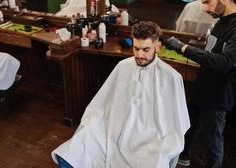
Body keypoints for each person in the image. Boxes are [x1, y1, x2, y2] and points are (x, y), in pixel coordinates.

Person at [51, 21, 190, 168]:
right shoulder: (123, 66)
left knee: (156, 160)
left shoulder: (171, 77)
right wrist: (95, 122)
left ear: (158, 47)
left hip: (148, 139)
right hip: (113, 128)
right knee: (74, 149)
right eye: (136, 48)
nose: (140, 55)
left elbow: (177, 124)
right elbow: (102, 103)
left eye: (146, 49)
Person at [162, 0, 236, 167]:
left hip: (219, 94)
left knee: (213, 141)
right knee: (189, 126)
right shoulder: (221, 21)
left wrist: (183, 48)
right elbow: (213, 49)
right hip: (204, 86)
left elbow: (224, 62)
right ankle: (183, 159)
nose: (205, 8)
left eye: (208, 2)